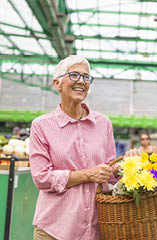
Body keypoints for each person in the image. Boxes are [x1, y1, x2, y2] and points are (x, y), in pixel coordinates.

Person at [29, 55, 118, 240]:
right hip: (54, 229)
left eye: (86, 77)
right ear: (57, 83)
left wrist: (126, 167)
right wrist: (88, 174)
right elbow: (41, 178)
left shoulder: (103, 123)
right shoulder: (41, 125)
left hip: (95, 228)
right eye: (74, 75)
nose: (81, 81)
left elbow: (110, 172)